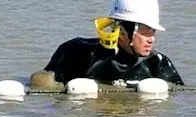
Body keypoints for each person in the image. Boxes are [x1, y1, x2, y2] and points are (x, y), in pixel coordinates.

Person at [31, 0, 184, 86]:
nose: (151, 38)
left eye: (153, 31)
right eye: (144, 31)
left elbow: (181, 100)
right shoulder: (77, 52)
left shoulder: (157, 64)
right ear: (122, 31)